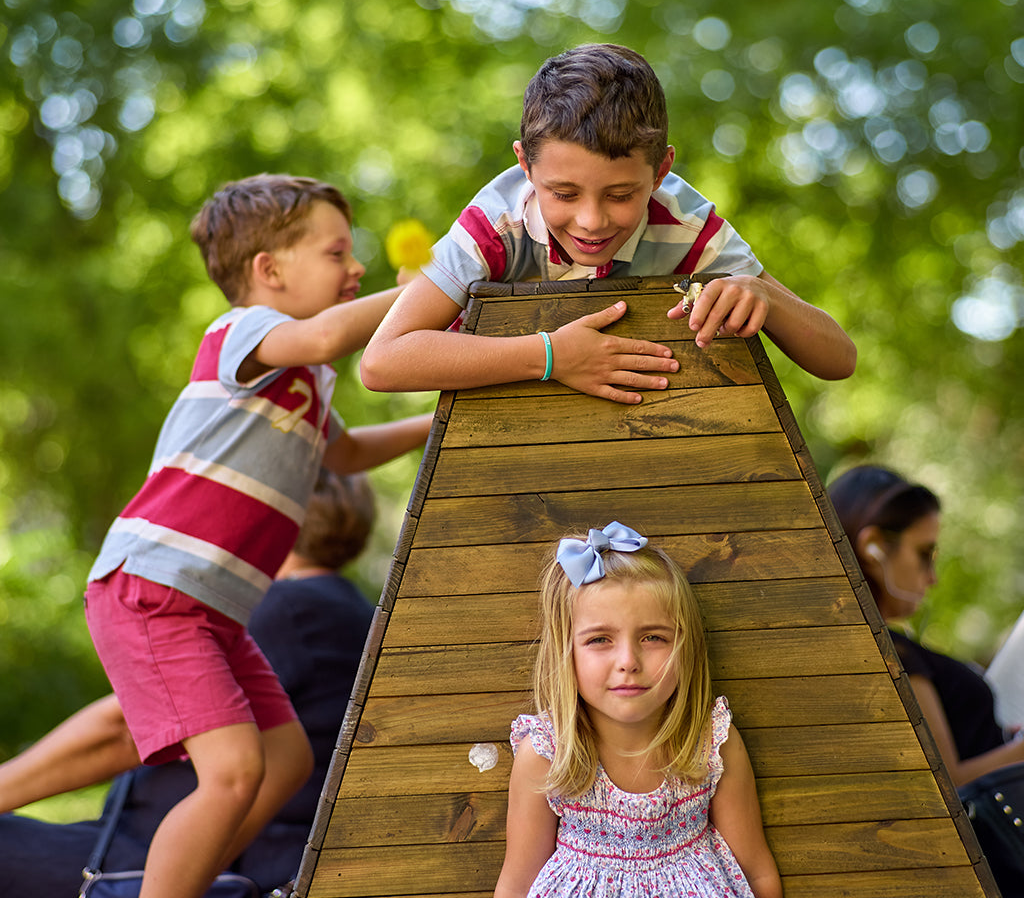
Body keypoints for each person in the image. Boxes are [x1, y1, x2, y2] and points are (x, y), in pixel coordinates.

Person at [81, 174, 432, 898]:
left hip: (211, 609)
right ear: (268, 272)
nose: (356, 267)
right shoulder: (242, 332)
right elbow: (331, 332)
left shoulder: (306, 380)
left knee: (284, 759)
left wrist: (444, 422)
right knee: (235, 770)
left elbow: (347, 455)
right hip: (155, 588)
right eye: (338, 253)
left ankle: (180, 880)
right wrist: (442, 281)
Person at [361, 43, 856, 406]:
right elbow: (382, 361)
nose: (592, 221)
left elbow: (839, 360)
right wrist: (553, 357)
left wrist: (763, 296)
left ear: (661, 171)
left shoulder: (686, 226)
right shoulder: (496, 225)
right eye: (564, 193)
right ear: (525, 167)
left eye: (621, 195)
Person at [0, 466, 379, 896]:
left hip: (163, 864)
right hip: (222, 854)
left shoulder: (279, 609)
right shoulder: (352, 610)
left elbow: (122, 730)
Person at [493, 521, 782, 898]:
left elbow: (757, 875)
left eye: (653, 637)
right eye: (600, 639)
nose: (628, 660)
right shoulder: (548, 753)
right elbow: (517, 883)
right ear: (567, 654)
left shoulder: (710, 742)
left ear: (686, 646)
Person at [828, 464, 1024, 898]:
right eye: (924, 553)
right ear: (874, 547)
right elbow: (947, 781)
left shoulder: (879, 646)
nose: (931, 577)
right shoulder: (893, 654)